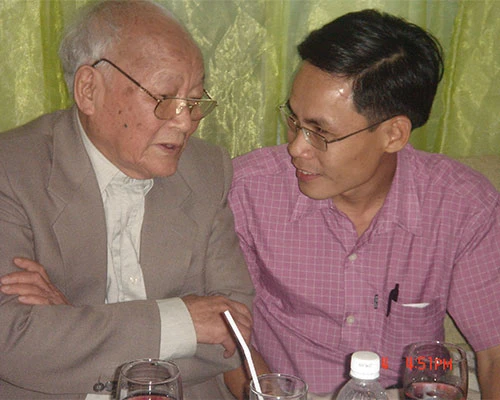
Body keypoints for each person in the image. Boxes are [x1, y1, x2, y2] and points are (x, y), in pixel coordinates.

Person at [228, 9, 500, 398]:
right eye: (294, 120)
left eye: (320, 131)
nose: (296, 147)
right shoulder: (247, 192)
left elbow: (494, 354)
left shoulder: (463, 207)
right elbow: (229, 343)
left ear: (393, 134)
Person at [0, 1, 254, 399]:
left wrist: (69, 322)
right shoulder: (12, 169)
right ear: (89, 90)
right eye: (165, 97)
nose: (186, 121)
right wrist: (181, 323)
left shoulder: (207, 169)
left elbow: (232, 334)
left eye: (194, 100)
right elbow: (12, 344)